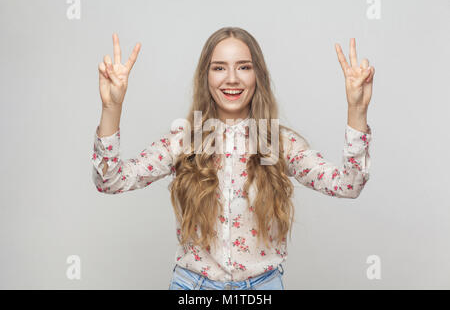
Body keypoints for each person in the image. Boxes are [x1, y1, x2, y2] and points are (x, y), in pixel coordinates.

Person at [91, 27, 374, 290]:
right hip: (193, 288)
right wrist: (111, 106)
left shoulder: (277, 141)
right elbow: (109, 180)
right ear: (206, 76)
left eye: (244, 67)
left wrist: (357, 110)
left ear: (257, 76)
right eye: (219, 68)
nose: (232, 78)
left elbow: (349, 185)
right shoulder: (185, 140)